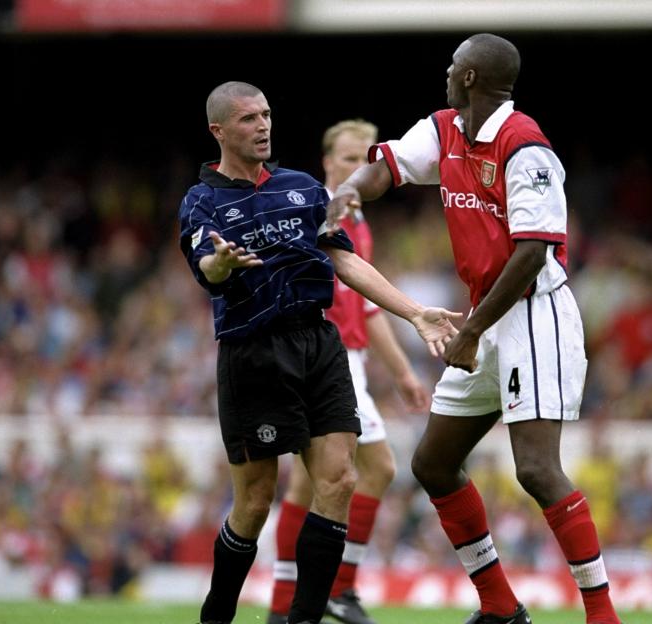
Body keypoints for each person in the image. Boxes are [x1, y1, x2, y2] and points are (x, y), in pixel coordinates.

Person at [326, 34, 622, 624]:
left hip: (533, 314)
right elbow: (386, 169)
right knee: (433, 463)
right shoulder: (446, 130)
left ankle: (602, 614)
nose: (446, 70)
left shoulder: (525, 146)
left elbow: (533, 252)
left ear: (469, 77)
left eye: (453, 64)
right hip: (485, 317)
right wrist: (348, 194)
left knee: (536, 469)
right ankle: (500, 606)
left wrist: (469, 332)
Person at [179, 81, 461, 624]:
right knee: (255, 502)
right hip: (253, 352)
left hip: (318, 342)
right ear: (219, 131)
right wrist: (221, 265)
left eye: (266, 115)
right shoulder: (202, 201)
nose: (263, 126)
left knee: (341, 480)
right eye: (248, 119)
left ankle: (304, 618)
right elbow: (206, 269)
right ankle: (216, 616)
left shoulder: (302, 188)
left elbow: (345, 261)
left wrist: (414, 312)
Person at [266, 120, 429, 624]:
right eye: (349, 158)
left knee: (305, 486)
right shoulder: (316, 211)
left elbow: (368, 309)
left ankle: (282, 607)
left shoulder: (357, 223)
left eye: (367, 160)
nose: (359, 168)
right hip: (325, 359)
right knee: (377, 468)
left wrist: (402, 372)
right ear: (327, 162)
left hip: (343, 358)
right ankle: (340, 588)